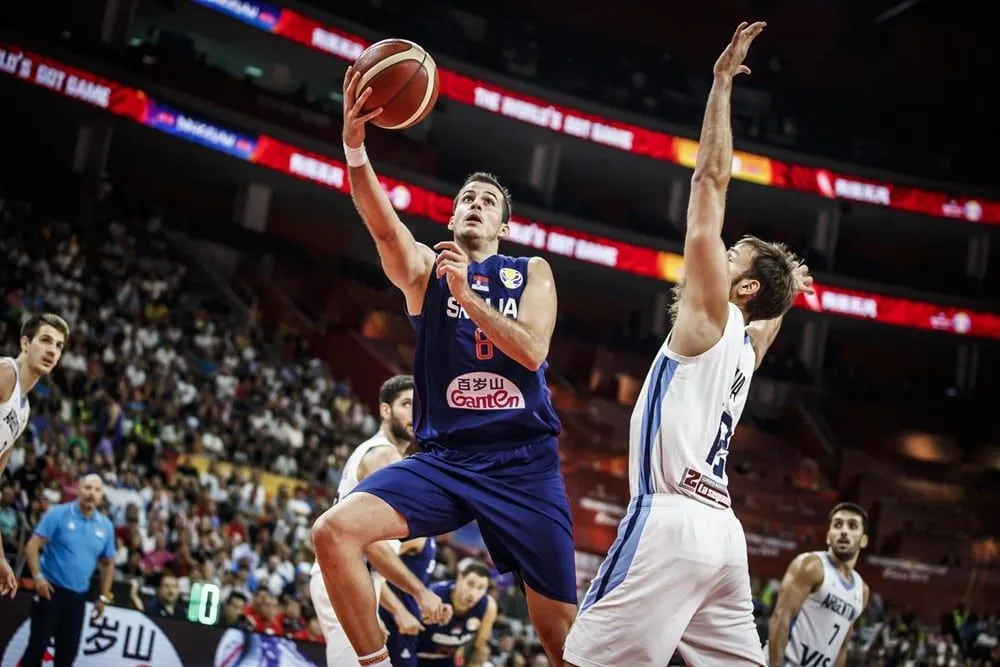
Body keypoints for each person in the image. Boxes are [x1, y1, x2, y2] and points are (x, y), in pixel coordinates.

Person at [563, 22, 814, 667]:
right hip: (725, 538)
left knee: (579, 660)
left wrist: (721, 82)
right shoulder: (745, 351)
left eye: (734, 256)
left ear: (745, 285)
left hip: (669, 518)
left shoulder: (711, 314)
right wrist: (790, 293)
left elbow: (709, 182)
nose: (721, 254)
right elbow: (767, 324)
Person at [312, 64, 576, 667]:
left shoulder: (531, 272)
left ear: (505, 226)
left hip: (524, 466)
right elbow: (381, 226)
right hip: (445, 460)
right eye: (467, 200)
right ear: (452, 218)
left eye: (489, 203)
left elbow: (532, 351)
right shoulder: (427, 272)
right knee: (333, 531)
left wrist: (469, 294)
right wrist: (355, 148)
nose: (476, 206)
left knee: (561, 643)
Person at [310, 375, 451, 666]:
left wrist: (381, 609)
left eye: (419, 407)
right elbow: (368, 546)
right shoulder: (383, 455)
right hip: (344, 572)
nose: (415, 414)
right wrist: (421, 593)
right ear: (385, 410)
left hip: (354, 576)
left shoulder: (377, 452)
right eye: (406, 404)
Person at [0, 312, 68, 597]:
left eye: (59, 346)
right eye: (45, 341)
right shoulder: (6, 373)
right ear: (25, 343)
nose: (52, 350)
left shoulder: (23, 411)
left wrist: (0, 556)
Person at [20, 474, 116, 667]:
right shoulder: (59, 513)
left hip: (78, 598)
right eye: (88, 488)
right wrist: (37, 577)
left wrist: (104, 596)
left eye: (97, 490)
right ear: (78, 489)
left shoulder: (105, 526)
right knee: (36, 649)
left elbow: (108, 563)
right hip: (50, 592)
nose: (92, 494)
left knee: (67, 656)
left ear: (101, 496)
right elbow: (32, 546)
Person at [766, 503, 870, 667]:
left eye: (853, 526)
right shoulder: (811, 565)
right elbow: (781, 617)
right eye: (837, 525)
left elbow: (841, 646)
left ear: (863, 540)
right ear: (828, 536)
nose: (844, 531)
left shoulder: (862, 590)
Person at [414, 560, 497, 667]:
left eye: (481, 588)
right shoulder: (434, 595)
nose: (473, 593)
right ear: (459, 578)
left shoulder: (489, 607)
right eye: (470, 584)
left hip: (445, 660)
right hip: (415, 654)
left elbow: (478, 647)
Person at [379, 536, 438, 666]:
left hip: (409, 624)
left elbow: (417, 581)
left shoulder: (430, 538)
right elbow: (372, 570)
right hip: (392, 621)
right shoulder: (417, 537)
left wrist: (435, 604)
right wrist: (399, 612)